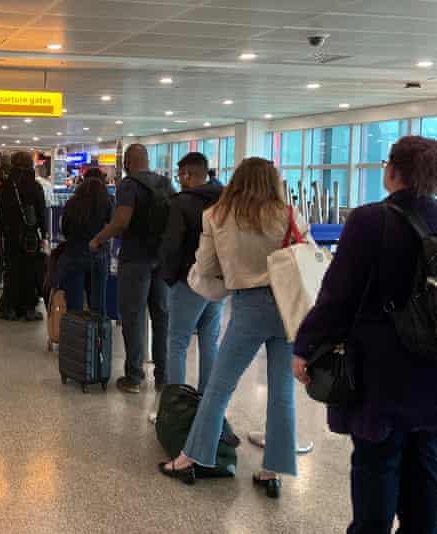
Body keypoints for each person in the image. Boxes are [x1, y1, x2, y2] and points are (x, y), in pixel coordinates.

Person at [294, 136, 437, 530]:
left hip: (381, 368)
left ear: (391, 170)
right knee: (426, 464)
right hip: (432, 370)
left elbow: (339, 294)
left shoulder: (370, 220)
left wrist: (305, 345)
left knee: (376, 462)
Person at [159, 157, 309, 498]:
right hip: (288, 307)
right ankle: (274, 470)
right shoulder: (289, 214)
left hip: (248, 306)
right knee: (282, 392)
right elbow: (303, 256)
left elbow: (206, 266)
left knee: (219, 387)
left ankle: (192, 456)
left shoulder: (218, 216)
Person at [90, 144, 175, 394]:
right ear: (147, 160)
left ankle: (134, 377)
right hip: (161, 259)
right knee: (161, 317)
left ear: (126, 162)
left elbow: (121, 221)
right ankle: (163, 378)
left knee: (133, 317)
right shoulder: (165, 183)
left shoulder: (128, 185)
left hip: (136, 260)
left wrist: (97, 239)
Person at [159, 152, 224, 394]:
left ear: (188, 174)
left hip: (189, 281)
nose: (179, 180)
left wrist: (170, 277)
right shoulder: (224, 201)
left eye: (180, 175)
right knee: (210, 342)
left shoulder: (181, 202)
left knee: (177, 342)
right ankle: (206, 400)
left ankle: (175, 403)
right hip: (218, 282)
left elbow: (172, 245)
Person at [0, 151, 48, 321]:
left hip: (11, 234)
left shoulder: (6, 186)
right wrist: (44, 233)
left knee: (11, 269)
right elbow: (41, 212)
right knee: (30, 270)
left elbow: (0, 213)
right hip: (30, 235)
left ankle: (10, 307)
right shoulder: (35, 185)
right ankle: (29, 308)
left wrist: (2, 231)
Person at [58, 178, 112, 313]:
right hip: (98, 254)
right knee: (98, 303)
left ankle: (76, 331)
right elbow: (112, 226)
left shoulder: (71, 204)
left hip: (74, 253)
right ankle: (98, 332)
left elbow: (64, 229)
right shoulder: (106, 203)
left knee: (74, 304)